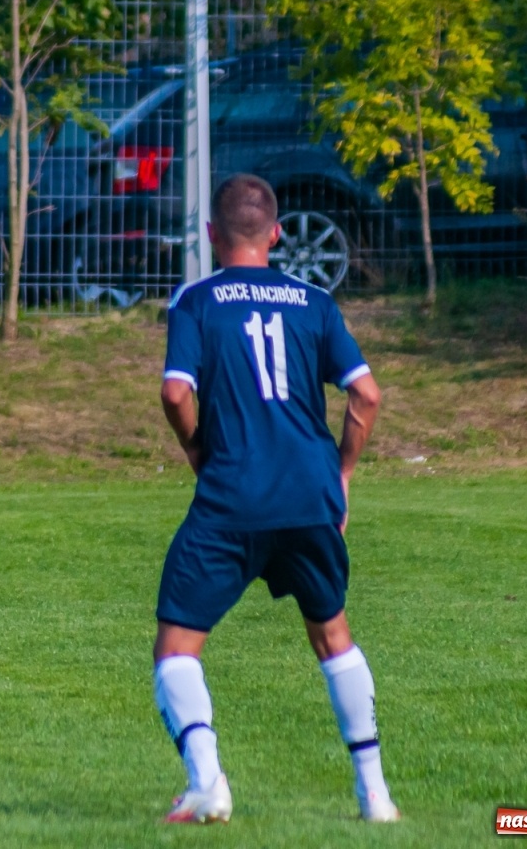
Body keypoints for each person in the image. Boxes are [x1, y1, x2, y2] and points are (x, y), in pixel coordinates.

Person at [152, 174, 398, 824]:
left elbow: (176, 392)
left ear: (211, 235)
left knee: (177, 649)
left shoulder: (196, 301)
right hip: (308, 494)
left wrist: (196, 451)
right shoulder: (315, 301)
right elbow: (366, 394)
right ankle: (375, 793)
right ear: (279, 232)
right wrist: (341, 471)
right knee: (333, 636)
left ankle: (207, 781)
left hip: (231, 496)